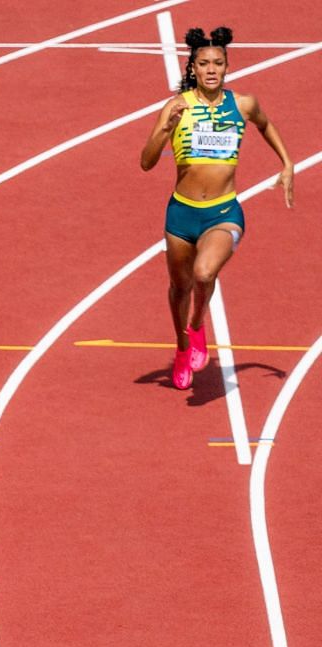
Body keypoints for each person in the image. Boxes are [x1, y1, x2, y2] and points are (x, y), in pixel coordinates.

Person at [139, 25, 294, 390]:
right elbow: (146, 162)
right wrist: (166, 130)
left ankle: (196, 326)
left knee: (204, 273)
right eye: (204, 63)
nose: (211, 69)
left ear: (227, 67)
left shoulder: (243, 104)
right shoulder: (176, 107)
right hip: (181, 214)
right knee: (179, 285)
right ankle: (181, 347)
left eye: (218, 63)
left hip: (223, 212)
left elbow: (266, 125)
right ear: (193, 68)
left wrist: (286, 164)